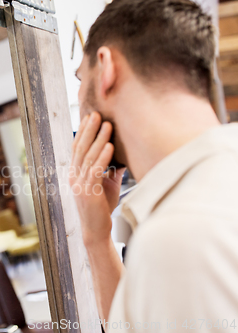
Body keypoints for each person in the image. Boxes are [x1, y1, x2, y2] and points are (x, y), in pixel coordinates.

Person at [69, 0, 238, 331]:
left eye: (80, 78)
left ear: (105, 69)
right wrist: (97, 238)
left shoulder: (178, 235)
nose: (78, 100)